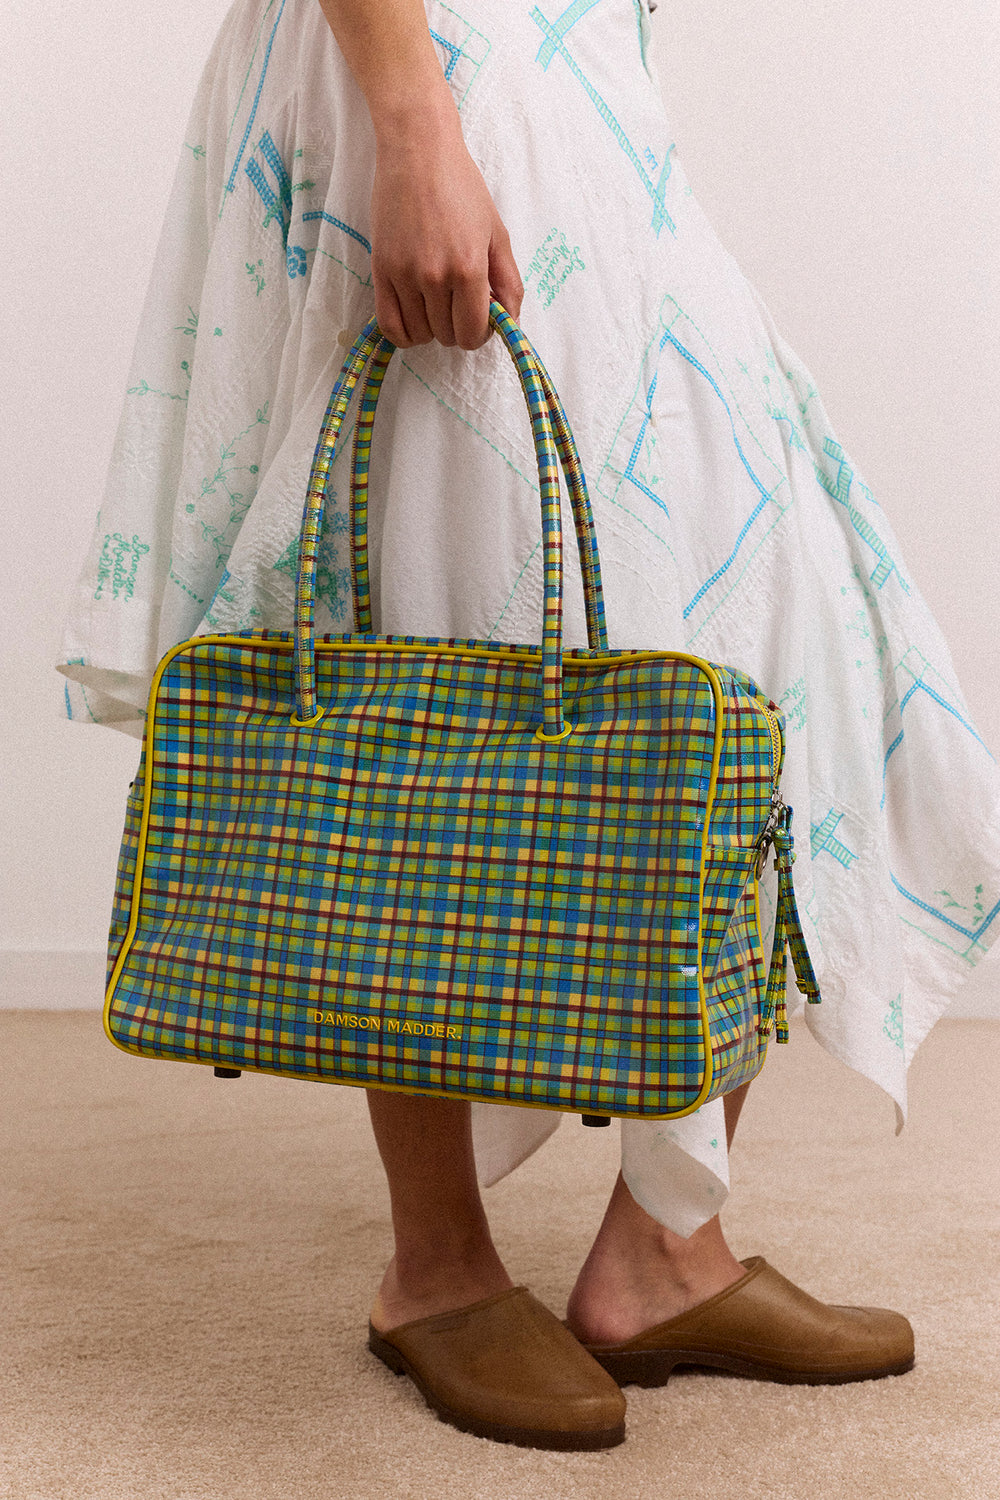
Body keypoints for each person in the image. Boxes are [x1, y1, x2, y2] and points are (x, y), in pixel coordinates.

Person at [58, 0, 1000, 1451]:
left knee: (769, 626)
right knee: (430, 622)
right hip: (435, 57)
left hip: (578, 61)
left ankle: (663, 1252)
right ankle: (434, 1268)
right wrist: (413, 122)